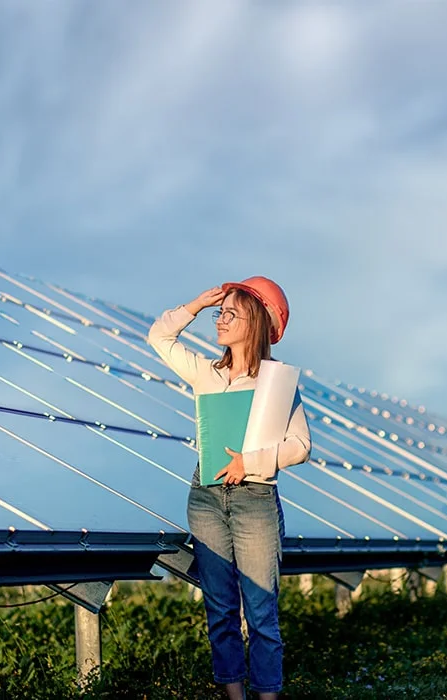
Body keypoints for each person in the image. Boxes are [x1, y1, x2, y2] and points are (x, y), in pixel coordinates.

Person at [146, 276, 311, 699]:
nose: (220, 320)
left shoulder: (276, 382)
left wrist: (249, 463)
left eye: (230, 313)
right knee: (220, 608)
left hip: (255, 498)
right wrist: (196, 305)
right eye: (220, 313)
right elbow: (159, 336)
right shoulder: (207, 372)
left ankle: (267, 694)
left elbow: (300, 446)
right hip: (206, 496)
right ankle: (234, 696)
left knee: (260, 610)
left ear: (255, 322)